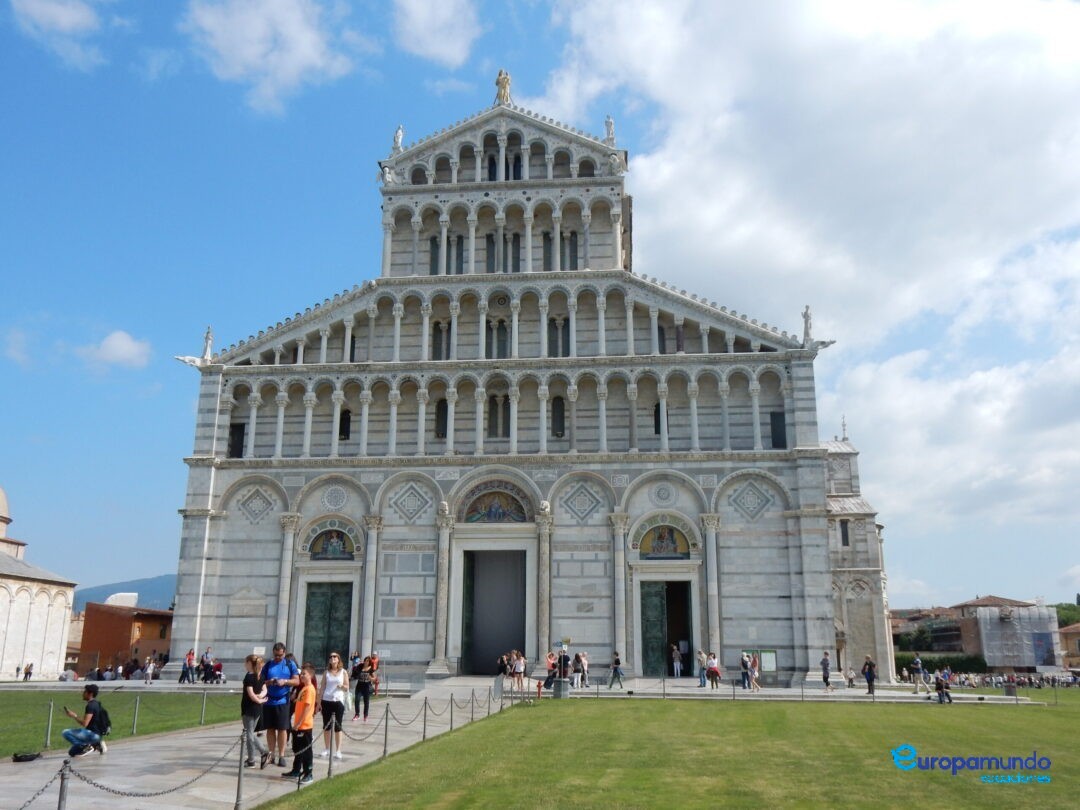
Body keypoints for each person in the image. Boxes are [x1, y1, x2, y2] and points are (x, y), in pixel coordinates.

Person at [261, 642, 300, 766]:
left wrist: (285, 681)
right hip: (269, 701)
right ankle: (271, 754)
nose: (278, 657)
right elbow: (261, 681)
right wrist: (270, 682)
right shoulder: (268, 665)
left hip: (283, 700)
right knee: (270, 728)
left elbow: (297, 681)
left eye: (280, 655)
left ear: (284, 653)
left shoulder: (290, 664)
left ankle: (281, 755)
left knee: (282, 728)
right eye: (276, 655)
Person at [281, 662, 316, 785]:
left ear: (310, 675)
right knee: (298, 749)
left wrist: (299, 723)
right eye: (301, 674)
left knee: (306, 751)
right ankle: (296, 770)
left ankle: (308, 773)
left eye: (304, 674)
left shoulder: (310, 690)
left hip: (304, 726)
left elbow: (307, 708)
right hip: (298, 725)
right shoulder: (303, 689)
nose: (301, 676)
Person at [62, 683, 107, 757]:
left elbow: (85, 723)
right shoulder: (97, 704)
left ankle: (86, 746)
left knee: (65, 732)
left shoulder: (90, 706)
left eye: (85, 692)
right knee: (72, 753)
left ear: (90, 694)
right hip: (97, 734)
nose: (83, 694)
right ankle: (96, 744)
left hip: (92, 734)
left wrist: (74, 716)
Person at [241, 654, 271, 768]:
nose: (245, 665)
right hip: (256, 708)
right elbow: (264, 690)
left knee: (249, 734)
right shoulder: (259, 675)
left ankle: (262, 753)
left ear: (250, 664)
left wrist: (258, 699)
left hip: (249, 708)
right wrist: (261, 697)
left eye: (246, 663)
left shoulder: (249, 677)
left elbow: (251, 694)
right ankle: (251, 759)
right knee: (250, 733)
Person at [319, 651, 349, 757]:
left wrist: (341, 686)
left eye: (334, 656)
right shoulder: (326, 672)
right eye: (331, 656)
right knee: (326, 726)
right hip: (326, 700)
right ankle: (326, 748)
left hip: (338, 701)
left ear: (338, 659)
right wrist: (319, 702)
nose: (332, 658)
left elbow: (347, 687)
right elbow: (322, 687)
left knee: (338, 726)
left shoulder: (343, 672)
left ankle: (338, 750)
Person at [352, 655, 375, 721]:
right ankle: (357, 714)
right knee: (357, 699)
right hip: (359, 685)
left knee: (366, 701)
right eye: (365, 660)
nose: (366, 662)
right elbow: (355, 673)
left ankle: (365, 715)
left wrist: (371, 678)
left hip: (367, 686)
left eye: (368, 661)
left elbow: (374, 678)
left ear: (369, 662)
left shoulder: (371, 669)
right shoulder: (360, 667)